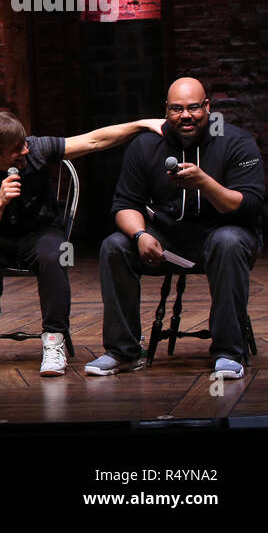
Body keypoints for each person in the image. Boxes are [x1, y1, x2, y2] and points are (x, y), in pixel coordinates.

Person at [0, 110, 163, 378]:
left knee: (55, 254)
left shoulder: (37, 149)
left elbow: (93, 141)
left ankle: (54, 341)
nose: (25, 150)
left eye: (24, 144)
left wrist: (140, 124)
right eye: (16, 149)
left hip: (40, 233)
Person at [89, 78, 263, 379]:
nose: (186, 115)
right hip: (167, 240)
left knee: (228, 241)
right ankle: (122, 351)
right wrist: (140, 235)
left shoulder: (236, 141)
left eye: (194, 107)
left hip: (223, 237)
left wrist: (204, 183)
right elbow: (125, 203)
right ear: (166, 111)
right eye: (177, 109)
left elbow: (249, 205)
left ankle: (229, 352)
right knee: (114, 245)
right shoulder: (145, 145)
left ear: (207, 107)